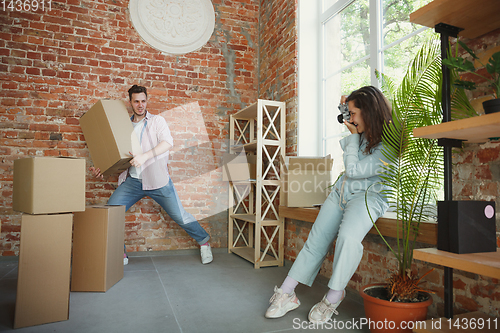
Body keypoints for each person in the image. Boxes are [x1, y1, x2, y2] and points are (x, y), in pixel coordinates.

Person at [265, 86, 392, 324]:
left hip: (369, 197)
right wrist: (348, 109)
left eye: (353, 114)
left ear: (369, 112)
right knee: (317, 238)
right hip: (341, 192)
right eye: (349, 113)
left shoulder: (390, 144)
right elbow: (349, 175)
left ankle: (334, 297)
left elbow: (354, 170)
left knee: (347, 238)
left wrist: (353, 136)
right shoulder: (363, 131)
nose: (349, 119)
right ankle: (286, 293)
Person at [90, 84, 213, 265]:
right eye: (136, 101)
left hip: (158, 181)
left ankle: (204, 242)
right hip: (132, 181)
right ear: (130, 102)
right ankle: (121, 254)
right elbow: (116, 153)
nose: (140, 105)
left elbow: (167, 143)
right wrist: (104, 169)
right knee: (112, 212)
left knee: (180, 216)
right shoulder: (124, 126)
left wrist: (144, 156)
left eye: (143, 101)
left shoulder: (157, 121)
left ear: (147, 101)